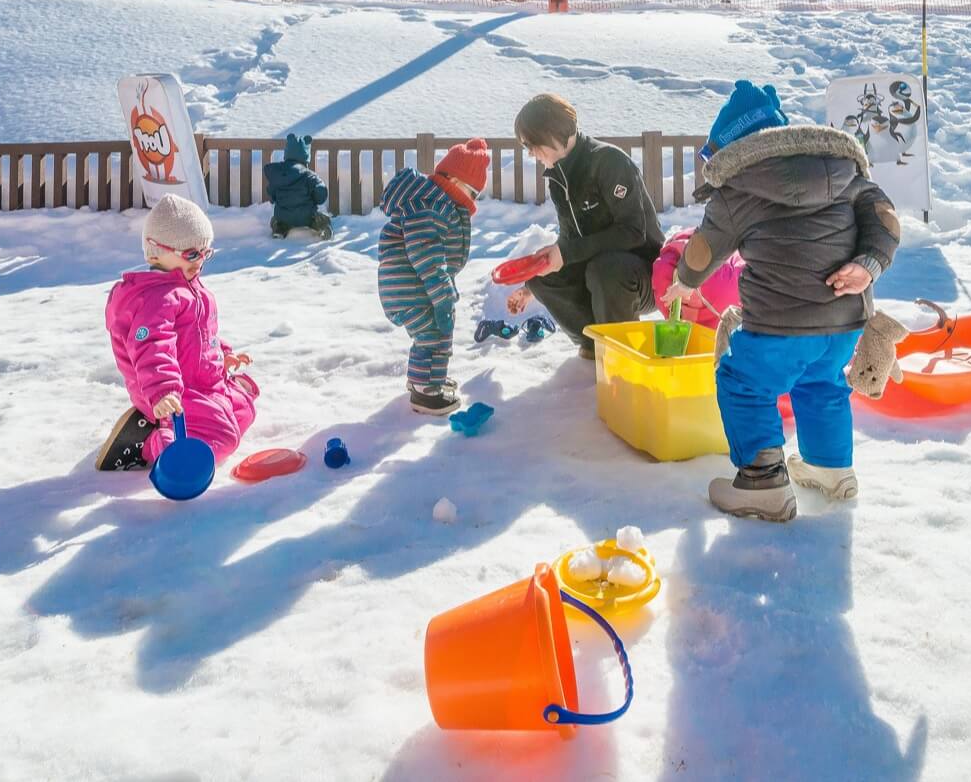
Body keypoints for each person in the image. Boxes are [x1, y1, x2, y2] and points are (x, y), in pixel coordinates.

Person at [663, 80, 901, 523]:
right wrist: (869, 264)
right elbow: (884, 217)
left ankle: (763, 483)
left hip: (779, 325)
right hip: (845, 321)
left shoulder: (740, 187)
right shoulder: (842, 168)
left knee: (743, 382)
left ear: (733, 147)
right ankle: (831, 469)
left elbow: (703, 249)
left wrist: (685, 281)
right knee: (822, 383)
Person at [96, 193, 258, 471]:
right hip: (174, 395)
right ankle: (147, 444)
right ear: (154, 251)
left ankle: (164, 427)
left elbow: (202, 334)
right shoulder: (155, 299)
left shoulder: (189, 285)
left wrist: (223, 355)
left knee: (244, 409)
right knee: (223, 439)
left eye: (206, 252)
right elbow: (152, 349)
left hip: (204, 382)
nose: (200, 260)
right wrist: (163, 392)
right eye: (191, 254)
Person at [504, 93, 665, 360]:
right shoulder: (558, 176)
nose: (531, 153)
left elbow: (634, 231)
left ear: (553, 131)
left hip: (642, 274)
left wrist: (566, 253)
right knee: (540, 273)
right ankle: (593, 342)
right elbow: (570, 237)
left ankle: (619, 351)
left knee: (605, 269)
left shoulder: (608, 162)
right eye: (525, 146)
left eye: (531, 144)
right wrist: (533, 283)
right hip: (596, 271)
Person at [378, 139, 489, 415]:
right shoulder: (431, 205)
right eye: (471, 191)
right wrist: (442, 297)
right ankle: (425, 392)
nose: (473, 200)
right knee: (433, 333)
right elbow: (426, 254)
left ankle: (426, 380)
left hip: (414, 284)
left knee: (433, 332)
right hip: (410, 286)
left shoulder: (438, 203)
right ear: (452, 179)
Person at [263, 132, 332, 239]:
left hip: (283, 216)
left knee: (276, 220)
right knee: (320, 218)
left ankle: (279, 229)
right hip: (306, 217)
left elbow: (271, 193)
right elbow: (321, 193)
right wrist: (315, 198)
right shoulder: (309, 176)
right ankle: (323, 228)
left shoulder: (277, 173)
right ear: (306, 157)